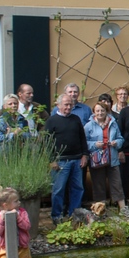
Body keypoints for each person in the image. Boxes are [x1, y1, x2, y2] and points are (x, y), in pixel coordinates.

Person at [85, 101, 129, 217]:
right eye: (97, 111)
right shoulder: (88, 126)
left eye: (102, 110)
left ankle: (122, 208)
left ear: (107, 111)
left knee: (117, 184)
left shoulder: (113, 123)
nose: (100, 113)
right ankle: (100, 211)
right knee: (98, 185)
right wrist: (94, 145)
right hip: (97, 159)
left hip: (112, 159)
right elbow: (84, 143)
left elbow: (120, 138)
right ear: (94, 112)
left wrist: (116, 142)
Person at [46, 94, 89, 223]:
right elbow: (47, 142)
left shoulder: (76, 119)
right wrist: (51, 159)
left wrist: (85, 155)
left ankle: (74, 214)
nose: (69, 107)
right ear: (58, 105)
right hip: (60, 161)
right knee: (58, 189)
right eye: (66, 104)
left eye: (70, 104)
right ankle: (57, 216)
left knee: (77, 188)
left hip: (77, 159)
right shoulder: (52, 121)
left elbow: (82, 138)